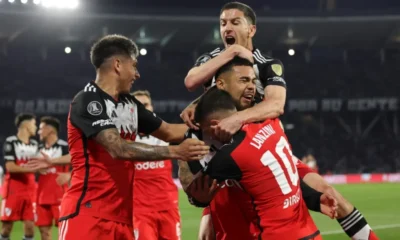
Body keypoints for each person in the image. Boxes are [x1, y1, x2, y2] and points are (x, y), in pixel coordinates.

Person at [180, 56, 379, 240]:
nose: (251, 86)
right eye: (244, 81)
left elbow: (199, 188)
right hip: (288, 224)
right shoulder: (267, 121)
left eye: (251, 80)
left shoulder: (246, 131)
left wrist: (197, 197)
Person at [58, 34, 209, 240]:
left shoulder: (129, 104)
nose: (137, 74)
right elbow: (118, 148)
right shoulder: (87, 100)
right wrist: (175, 151)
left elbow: (170, 131)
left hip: (123, 218)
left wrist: (216, 125)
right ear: (118, 64)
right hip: (87, 213)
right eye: (134, 65)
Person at [193, 87, 335, 240]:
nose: (205, 138)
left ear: (215, 124)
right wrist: (314, 197)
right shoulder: (272, 124)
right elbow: (277, 180)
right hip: (309, 233)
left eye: (205, 131)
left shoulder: (231, 155)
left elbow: (197, 191)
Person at [131, 90, 181, 240]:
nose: (143, 108)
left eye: (145, 104)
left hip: (168, 206)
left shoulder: (167, 134)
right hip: (139, 210)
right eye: (138, 105)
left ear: (152, 107)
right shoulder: (123, 139)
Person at [1, 113, 38, 240]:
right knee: (6, 227)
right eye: (34, 124)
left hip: (30, 190)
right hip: (13, 189)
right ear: (26, 125)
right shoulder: (11, 142)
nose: (36, 127)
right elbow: (10, 167)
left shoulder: (35, 144)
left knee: (30, 227)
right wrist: (30, 168)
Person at [35, 116, 70, 240]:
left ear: (50, 130)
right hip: (41, 196)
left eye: (41, 129)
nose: (38, 132)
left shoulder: (64, 146)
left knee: (64, 233)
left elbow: (79, 162)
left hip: (60, 196)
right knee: (44, 233)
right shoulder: (38, 149)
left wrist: (69, 175)